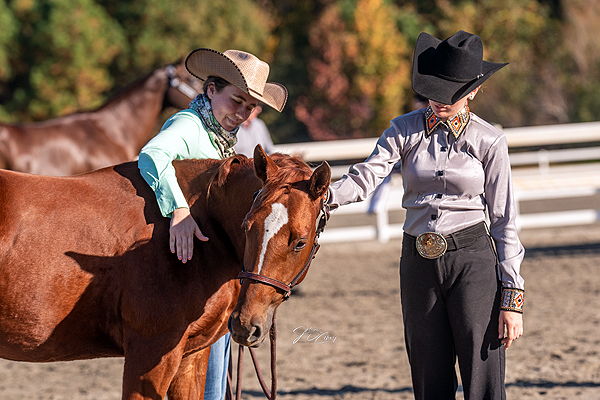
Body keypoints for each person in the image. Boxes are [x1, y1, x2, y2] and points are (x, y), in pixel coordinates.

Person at [327, 30, 525, 399]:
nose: (439, 100)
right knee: (428, 376)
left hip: (473, 261)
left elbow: (504, 221)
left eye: (450, 93)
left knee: (481, 373)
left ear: (473, 91)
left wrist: (512, 297)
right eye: (434, 89)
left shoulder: (489, 141)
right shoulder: (402, 129)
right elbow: (367, 176)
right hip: (417, 261)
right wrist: (322, 197)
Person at [138, 48, 287, 400]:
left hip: (208, 276)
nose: (242, 113)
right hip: (189, 279)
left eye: (250, 107)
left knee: (214, 382)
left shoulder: (216, 132)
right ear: (209, 90)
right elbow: (153, 155)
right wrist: (179, 211)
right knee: (207, 385)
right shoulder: (189, 125)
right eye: (236, 101)